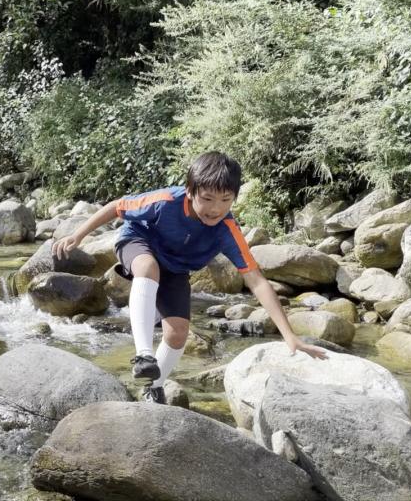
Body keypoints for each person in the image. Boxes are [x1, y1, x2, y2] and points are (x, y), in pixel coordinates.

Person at [52, 151, 328, 404]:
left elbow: (257, 281)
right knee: (148, 267)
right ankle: (144, 354)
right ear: (190, 192)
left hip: (176, 268)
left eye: (225, 200)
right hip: (138, 242)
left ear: (234, 198)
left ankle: (154, 387)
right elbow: (117, 206)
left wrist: (289, 336)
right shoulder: (165, 202)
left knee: (178, 333)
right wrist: (78, 235)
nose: (215, 208)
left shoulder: (226, 230)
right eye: (207, 198)